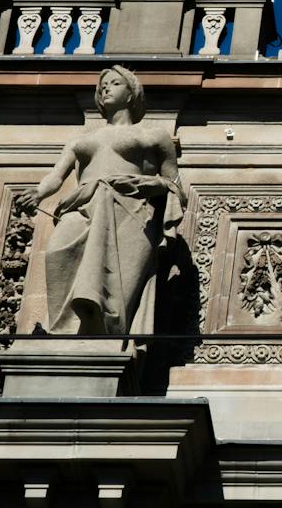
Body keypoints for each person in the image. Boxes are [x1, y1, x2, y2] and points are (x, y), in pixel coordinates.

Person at [36, 66, 186, 338]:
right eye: (102, 85)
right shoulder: (82, 140)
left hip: (130, 213)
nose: (106, 88)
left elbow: (175, 186)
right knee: (57, 252)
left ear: (131, 94)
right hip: (82, 206)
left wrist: (151, 184)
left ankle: (102, 340)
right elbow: (56, 176)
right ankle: (60, 331)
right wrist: (38, 193)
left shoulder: (153, 135)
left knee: (115, 292)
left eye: (115, 83)